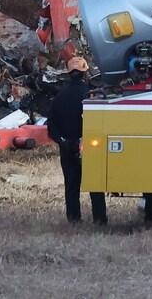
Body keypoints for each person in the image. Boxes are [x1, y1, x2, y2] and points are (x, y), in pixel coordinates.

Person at [46, 57, 107, 224]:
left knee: (71, 186)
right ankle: (100, 219)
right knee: (95, 184)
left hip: (66, 146)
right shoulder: (91, 96)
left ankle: (73, 218)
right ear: (84, 72)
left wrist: (63, 141)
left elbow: (51, 126)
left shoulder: (59, 97)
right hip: (90, 146)